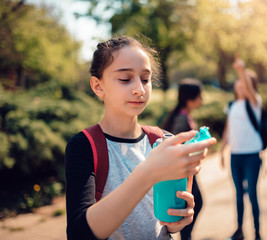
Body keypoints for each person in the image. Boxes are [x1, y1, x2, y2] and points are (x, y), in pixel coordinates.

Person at [65, 36, 216, 240]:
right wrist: (148, 173)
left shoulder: (163, 140)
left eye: (145, 79)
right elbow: (79, 234)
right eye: (125, 79)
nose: (140, 89)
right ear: (98, 86)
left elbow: (168, 223)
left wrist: (177, 219)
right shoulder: (84, 146)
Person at [220, 54, 263, 240]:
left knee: (252, 195)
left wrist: (240, 70)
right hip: (235, 156)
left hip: (252, 155)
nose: (240, 84)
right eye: (238, 81)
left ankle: (257, 232)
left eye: (244, 82)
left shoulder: (255, 102)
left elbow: (247, 87)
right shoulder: (231, 105)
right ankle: (239, 230)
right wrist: (222, 150)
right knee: (238, 195)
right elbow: (228, 131)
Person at [162, 78, 204, 240]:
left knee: (193, 205)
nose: (202, 100)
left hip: (184, 170)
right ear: (190, 98)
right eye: (200, 96)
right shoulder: (181, 119)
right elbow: (177, 148)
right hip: (182, 172)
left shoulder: (182, 115)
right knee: (194, 204)